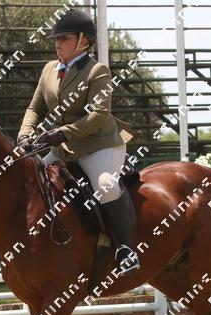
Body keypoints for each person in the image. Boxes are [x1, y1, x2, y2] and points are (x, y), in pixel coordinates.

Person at [16, 8, 140, 275]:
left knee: (106, 186)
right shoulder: (49, 70)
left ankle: (126, 249)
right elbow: (35, 108)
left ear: (83, 41)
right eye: (56, 39)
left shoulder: (97, 71)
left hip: (99, 144)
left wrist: (63, 132)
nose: (58, 44)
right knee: (28, 181)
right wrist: (24, 134)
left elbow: (98, 115)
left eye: (64, 38)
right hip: (65, 147)